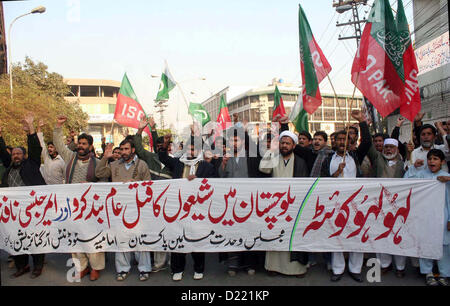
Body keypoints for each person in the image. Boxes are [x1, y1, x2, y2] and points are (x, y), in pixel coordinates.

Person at [320, 110, 372, 283]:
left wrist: (362, 121)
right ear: (334, 142)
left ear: (350, 142)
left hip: (356, 203)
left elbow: (367, 141)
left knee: (357, 235)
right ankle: (338, 269)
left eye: (345, 139)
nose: (342, 142)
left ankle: (355, 269)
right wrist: (337, 173)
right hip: (335, 204)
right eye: (339, 139)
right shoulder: (328, 159)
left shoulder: (356, 156)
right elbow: (322, 181)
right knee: (337, 236)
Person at [53, 115, 105, 281]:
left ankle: (95, 267)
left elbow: (104, 183)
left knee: (92, 237)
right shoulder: (70, 158)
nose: (81, 146)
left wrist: (90, 185)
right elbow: (59, 145)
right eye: (79, 144)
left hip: (90, 207)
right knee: (75, 237)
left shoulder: (97, 162)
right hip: (71, 206)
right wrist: (58, 127)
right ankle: (81, 267)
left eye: (84, 144)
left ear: (90, 146)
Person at [158, 135, 217, 281]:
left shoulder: (207, 166)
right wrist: (164, 145)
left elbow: (214, 184)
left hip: (198, 209)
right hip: (179, 208)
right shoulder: (178, 163)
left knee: (197, 238)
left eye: (195, 148)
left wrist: (197, 181)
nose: (192, 151)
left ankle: (199, 268)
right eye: (189, 148)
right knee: (178, 236)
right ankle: (178, 269)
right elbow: (163, 158)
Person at [96, 139, 153, 282]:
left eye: (126, 149)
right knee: (121, 239)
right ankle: (122, 269)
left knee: (140, 239)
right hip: (119, 209)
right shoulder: (114, 164)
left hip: (138, 208)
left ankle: (144, 269)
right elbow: (99, 173)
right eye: (121, 149)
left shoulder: (142, 165)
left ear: (133, 150)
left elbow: (149, 185)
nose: (123, 152)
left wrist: (136, 184)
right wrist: (105, 157)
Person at [0, 114, 47, 279]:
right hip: (14, 213)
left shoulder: (31, 164)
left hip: (32, 211)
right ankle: (22, 265)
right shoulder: (8, 169)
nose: (15, 156)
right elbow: (2, 153)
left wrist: (31, 129)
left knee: (34, 239)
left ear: (24, 156)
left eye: (19, 153)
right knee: (16, 238)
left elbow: (35, 148)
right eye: (13, 154)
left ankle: (38, 266)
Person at [259, 130, 309, 277]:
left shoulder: (300, 162)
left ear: (293, 145)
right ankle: (273, 267)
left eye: (288, 143)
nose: (284, 146)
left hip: (293, 205)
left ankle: (297, 269)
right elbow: (263, 168)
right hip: (275, 206)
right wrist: (271, 150)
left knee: (293, 235)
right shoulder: (274, 158)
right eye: (282, 143)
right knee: (275, 233)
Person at [218, 127, 266, 276]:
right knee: (232, 233)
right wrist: (223, 165)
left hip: (249, 202)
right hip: (231, 203)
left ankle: (249, 264)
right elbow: (219, 178)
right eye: (231, 140)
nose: (234, 142)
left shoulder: (252, 157)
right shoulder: (225, 157)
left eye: (237, 139)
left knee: (249, 232)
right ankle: (233, 264)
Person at [404, 149, 450, 286]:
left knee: (444, 245)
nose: (431, 161)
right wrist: (414, 167)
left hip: (443, 216)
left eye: (435, 159)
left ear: (442, 162)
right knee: (425, 243)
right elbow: (405, 182)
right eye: (430, 159)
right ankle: (428, 273)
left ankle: (444, 274)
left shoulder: (446, 176)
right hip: (424, 216)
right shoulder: (421, 175)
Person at [134, 115, 172, 272]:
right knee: (150, 231)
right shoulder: (150, 158)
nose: (163, 147)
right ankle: (149, 259)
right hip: (149, 203)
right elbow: (138, 148)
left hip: (168, 204)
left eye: (167, 146)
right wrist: (142, 129)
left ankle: (161, 263)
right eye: (160, 145)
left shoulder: (175, 161)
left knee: (165, 232)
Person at [366, 138, 407, 277]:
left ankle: (400, 266)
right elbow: (367, 142)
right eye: (386, 147)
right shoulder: (378, 160)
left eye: (392, 147)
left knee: (398, 235)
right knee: (381, 234)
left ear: (397, 149)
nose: (389, 150)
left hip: (398, 205)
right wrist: (362, 122)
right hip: (380, 204)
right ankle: (384, 264)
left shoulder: (405, 163)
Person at [36, 119, 65, 185]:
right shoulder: (46, 157)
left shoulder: (62, 161)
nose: (49, 149)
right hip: (46, 190)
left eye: (51, 147)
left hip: (57, 190)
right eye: (48, 147)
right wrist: (39, 127)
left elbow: (67, 177)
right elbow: (40, 141)